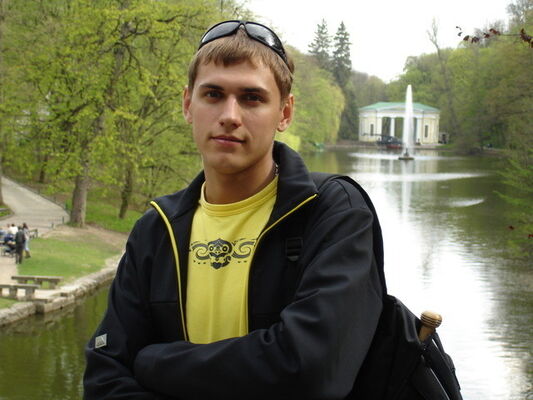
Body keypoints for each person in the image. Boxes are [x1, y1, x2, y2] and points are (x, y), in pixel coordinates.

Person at [84, 20, 383, 399]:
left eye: (252, 98)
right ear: (187, 104)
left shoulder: (332, 213)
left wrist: (153, 362)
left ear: (285, 113)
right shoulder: (157, 229)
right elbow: (105, 377)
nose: (230, 115)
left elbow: (312, 369)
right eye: (213, 94)